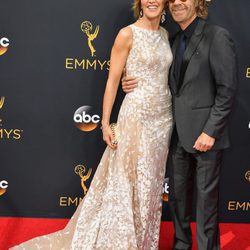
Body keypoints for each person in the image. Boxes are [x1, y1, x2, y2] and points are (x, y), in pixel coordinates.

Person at [10, 0, 173, 249]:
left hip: (163, 121)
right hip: (137, 118)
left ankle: (143, 242)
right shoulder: (127, 34)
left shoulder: (164, 35)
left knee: (151, 185)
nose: (153, 1)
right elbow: (112, 81)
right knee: (128, 181)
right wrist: (105, 124)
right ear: (140, 2)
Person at [122, 0, 237, 249]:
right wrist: (127, 80)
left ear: (198, 3)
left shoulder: (216, 36)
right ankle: (181, 245)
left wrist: (210, 131)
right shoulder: (171, 40)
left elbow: (227, 90)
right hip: (176, 135)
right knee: (178, 201)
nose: (177, 3)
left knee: (206, 203)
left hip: (206, 136)